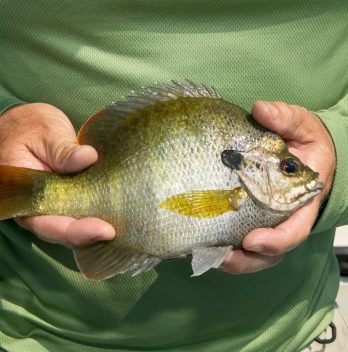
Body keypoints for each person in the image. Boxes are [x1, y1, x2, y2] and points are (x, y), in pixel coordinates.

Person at [0, 1, 347, 351]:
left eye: (290, 168)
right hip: (37, 334)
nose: (302, 175)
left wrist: (340, 150)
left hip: (294, 331)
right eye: (289, 168)